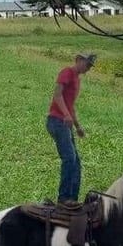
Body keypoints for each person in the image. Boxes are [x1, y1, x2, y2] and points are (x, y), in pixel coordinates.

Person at [46, 52, 96, 203]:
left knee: (76, 162)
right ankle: (63, 200)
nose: (88, 68)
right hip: (56, 121)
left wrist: (77, 126)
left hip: (65, 123)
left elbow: (70, 106)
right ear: (78, 60)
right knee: (69, 158)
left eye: (90, 66)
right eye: (87, 64)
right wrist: (66, 115)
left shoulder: (77, 80)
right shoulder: (67, 72)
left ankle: (72, 200)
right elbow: (57, 94)